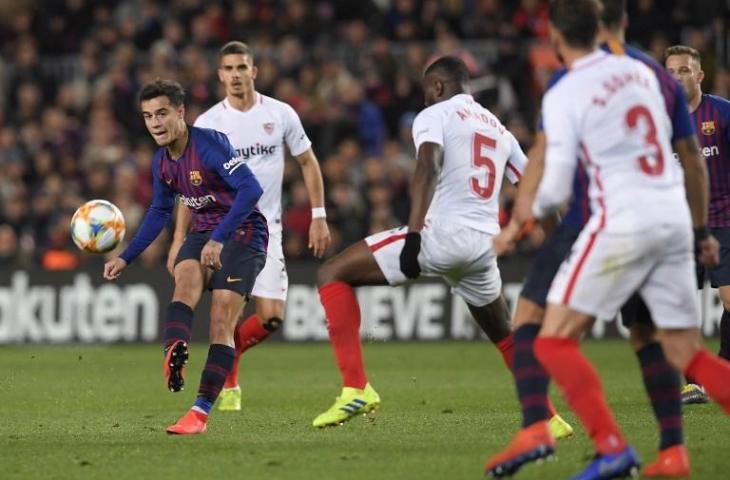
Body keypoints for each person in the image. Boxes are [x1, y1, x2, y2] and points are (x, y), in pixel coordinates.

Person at [492, 1, 730, 478]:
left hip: (618, 220)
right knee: (684, 351)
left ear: (557, 39)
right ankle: (674, 454)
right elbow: (692, 158)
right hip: (674, 222)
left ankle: (605, 444)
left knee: (551, 340)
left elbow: (556, 184)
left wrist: (520, 222)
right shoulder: (651, 75)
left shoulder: (567, 86)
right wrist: (702, 230)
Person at [311, 55, 572, 437]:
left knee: (331, 273)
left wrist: (414, 236)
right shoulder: (500, 130)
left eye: (425, 92)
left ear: (437, 87)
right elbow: (540, 193)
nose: (425, 100)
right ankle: (550, 417)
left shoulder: (436, 114)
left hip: (442, 235)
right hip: (483, 247)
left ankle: (355, 388)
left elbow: (427, 166)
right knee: (503, 333)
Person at [169, 41, 331, 412]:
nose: (236, 75)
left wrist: (318, 216)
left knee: (271, 318)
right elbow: (187, 183)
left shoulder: (281, 114)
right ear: (220, 75)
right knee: (225, 311)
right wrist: (179, 237)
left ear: (254, 72)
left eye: (242, 68)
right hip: (221, 230)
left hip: (267, 228)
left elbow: (308, 162)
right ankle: (223, 383)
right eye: (229, 69)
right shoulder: (209, 124)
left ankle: (232, 354)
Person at [103, 79, 268, 435]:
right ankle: (173, 350)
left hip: (243, 233)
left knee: (221, 319)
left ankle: (199, 413)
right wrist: (126, 257)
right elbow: (160, 212)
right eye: (148, 117)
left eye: (162, 113)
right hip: (203, 232)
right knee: (185, 283)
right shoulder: (162, 161)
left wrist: (220, 239)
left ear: (180, 112)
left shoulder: (208, 146)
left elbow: (251, 189)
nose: (155, 124)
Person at [665, 44, 730, 405]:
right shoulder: (659, 121)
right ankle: (695, 382)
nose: (677, 78)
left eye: (684, 70)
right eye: (671, 72)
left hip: (724, 220)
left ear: (700, 75)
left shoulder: (722, 113)